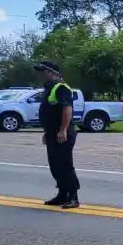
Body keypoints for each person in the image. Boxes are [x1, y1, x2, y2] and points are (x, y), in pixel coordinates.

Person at [34, 61, 81, 209]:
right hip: (52, 133)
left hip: (63, 133)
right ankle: (62, 195)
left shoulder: (61, 88)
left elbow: (67, 109)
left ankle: (73, 197)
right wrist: (47, 133)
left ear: (53, 73)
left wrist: (63, 130)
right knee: (55, 165)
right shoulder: (49, 88)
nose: (41, 74)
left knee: (65, 165)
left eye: (43, 71)